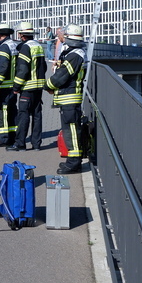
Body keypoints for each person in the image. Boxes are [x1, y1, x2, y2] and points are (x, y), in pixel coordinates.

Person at [45, 23, 87, 173]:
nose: (60, 37)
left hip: (70, 98)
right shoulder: (75, 53)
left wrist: (48, 85)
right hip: (68, 98)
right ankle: (72, 160)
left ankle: (74, 162)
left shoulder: (74, 55)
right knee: (70, 129)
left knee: (72, 131)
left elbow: (62, 76)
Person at [9, 20, 47, 152]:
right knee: (37, 115)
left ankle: (20, 144)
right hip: (39, 87)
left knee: (23, 115)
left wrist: (16, 87)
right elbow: (44, 66)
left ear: (22, 35)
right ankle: (36, 144)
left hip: (27, 87)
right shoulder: (38, 46)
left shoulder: (25, 47)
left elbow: (23, 70)